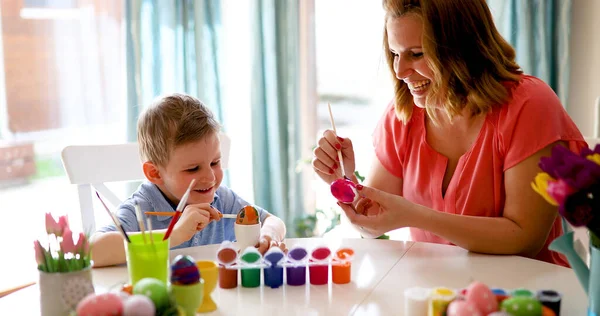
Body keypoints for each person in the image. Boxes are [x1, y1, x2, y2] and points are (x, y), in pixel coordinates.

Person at [312, 0, 586, 266]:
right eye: (395, 54)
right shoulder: (402, 115)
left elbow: (525, 238)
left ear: (462, 48)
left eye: (416, 54)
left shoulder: (529, 105)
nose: (399, 71)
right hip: (437, 295)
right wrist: (344, 181)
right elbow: (369, 224)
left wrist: (416, 216)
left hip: (525, 299)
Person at [91, 94, 287, 267]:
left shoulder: (221, 200)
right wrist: (173, 234)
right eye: (193, 169)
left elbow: (273, 221)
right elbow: (93, 250)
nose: (210, 178)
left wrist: (269, 235)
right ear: (155, 174)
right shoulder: (142, 207)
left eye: (215, 162)